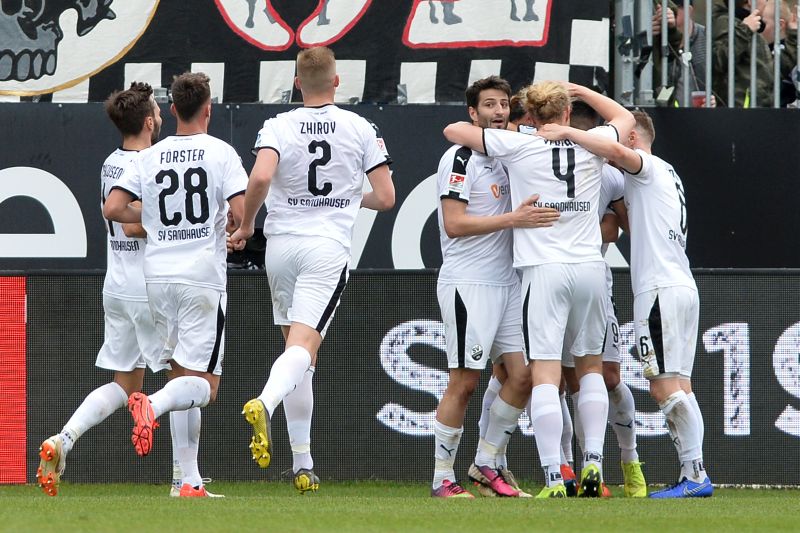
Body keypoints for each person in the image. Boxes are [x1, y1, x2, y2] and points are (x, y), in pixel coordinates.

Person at [444, 81, 635, 498]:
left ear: (530, 115)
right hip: (590, 268)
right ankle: (594, 465)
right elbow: (625, 119)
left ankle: (554, 475)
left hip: (543, 271)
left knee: (546, 373)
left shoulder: (519, 146)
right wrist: (581, 97)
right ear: (567, 112)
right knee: (588, 371)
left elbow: (454, 132)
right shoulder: (593, 143)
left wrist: (516, 135)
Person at [228, 46, 395, 494]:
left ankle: (302, 464)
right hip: (326, 247)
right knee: (303, 347)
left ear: (297, 83)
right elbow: (385, 196)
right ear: (337, 82)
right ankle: (265, 400)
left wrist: (247, 225)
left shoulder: (278, 125)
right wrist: (341, 197)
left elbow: (260, 179)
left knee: (300, 354)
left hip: (281, 247)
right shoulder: (361, 127)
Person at [536, 109, 712, 499]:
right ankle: (694, 472)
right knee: (682, 385)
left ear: (631, 140)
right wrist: (581, 96)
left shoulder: (644, 166)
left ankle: (695, 475)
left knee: (666, 388)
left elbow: (610, 149)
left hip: (659, 290)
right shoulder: (667, 171)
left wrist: (567, 130)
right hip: (681, 283)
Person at [103, 72, 249, 497]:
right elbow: (240, 212)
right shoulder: (221, 153)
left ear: (172, 110)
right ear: (208, 109)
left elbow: (113, 208)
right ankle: (153, 405)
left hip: (157, 279)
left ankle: (187, 481)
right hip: (200, 278)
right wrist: (236, 229)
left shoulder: (150, 157)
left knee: (179, 374)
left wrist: (156, 220)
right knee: (205, 386)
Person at [431, 76, 559, 499]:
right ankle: (442, 479)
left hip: (508, 282)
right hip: (470, 282)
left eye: (504, 104)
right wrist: (513, 220)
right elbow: (454, 224)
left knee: (523, 377)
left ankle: (485, 464)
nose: (499, 112)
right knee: (464, 383)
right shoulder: (460, 158)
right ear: (474, 114)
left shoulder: (512, 153)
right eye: (489, 105)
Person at [36, 83, 163, 497]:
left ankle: (63, 439)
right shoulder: (150, 162)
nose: (161, 117)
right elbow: (131, 222)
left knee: (126, 385)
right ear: (148, 122)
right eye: (158, 113)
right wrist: (180, 221)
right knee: (187, 377)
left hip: (118, 284)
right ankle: (187, 479)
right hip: (148, 285)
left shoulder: (111, 161)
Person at [558, 101, 646, 498]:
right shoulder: (533, 159)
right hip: (544, 278)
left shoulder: (608, 174)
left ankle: (630, 461)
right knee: (556, 380)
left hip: (592, 279)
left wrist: (586, 227)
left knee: (608, 377)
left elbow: (617, 228)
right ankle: (566, 471)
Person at [652, 1, 717, 107]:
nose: (668, 11)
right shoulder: (657, 39)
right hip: (665, 116)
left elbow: (720, 79)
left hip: (703, 115)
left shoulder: (707, 38)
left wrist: (715, 102)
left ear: (689, 10)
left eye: (674, 7)